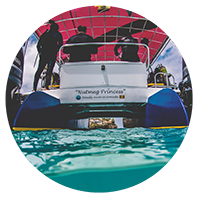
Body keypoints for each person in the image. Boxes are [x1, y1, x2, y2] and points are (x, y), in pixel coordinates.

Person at [33, 20, 63, 91]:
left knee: (39, 70)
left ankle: (34, 88)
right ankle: (46, 87)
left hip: (44, 53)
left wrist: (40, 52)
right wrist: (56, 49)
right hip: (52, 53)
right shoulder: (58, 34)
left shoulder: (45, 34)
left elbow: (38, 45)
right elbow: (61, 43)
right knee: (49, 70)